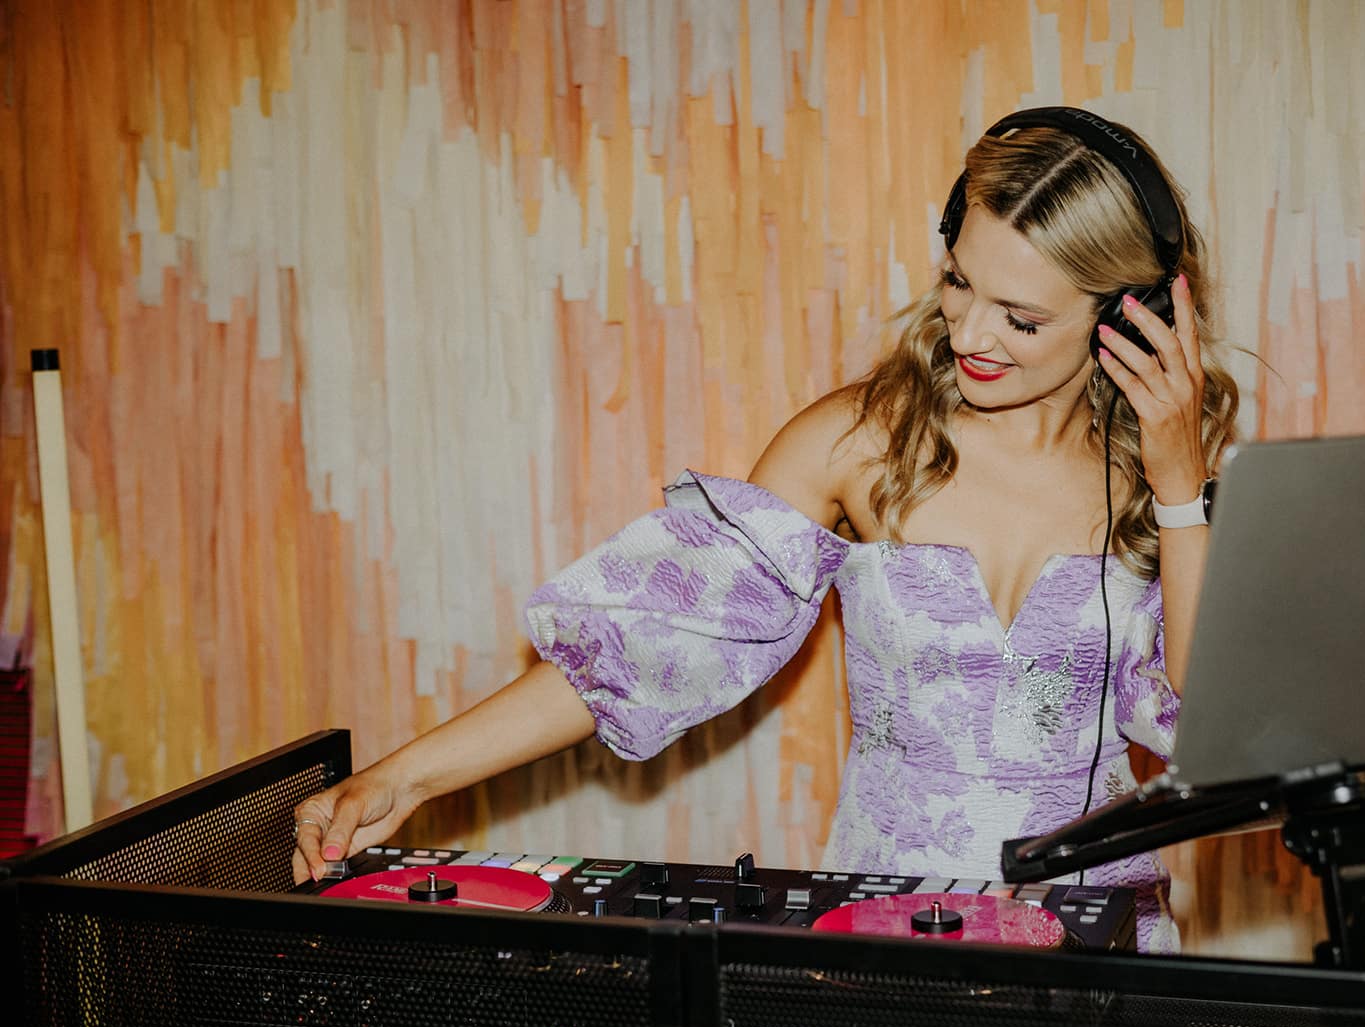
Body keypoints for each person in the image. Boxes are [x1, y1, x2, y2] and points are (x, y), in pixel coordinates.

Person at [292, 107, 1240, 952]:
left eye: (1021, 318)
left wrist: (1177, 489)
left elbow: (1213, 735)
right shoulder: (857, 442)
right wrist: (405, 777)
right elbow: (642, 650)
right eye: (959, 282)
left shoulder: (1175, 481)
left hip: (1101, 950)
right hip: (884, 938)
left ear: (1132, 314)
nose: (970, 334)